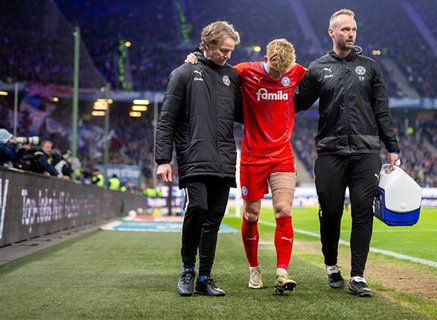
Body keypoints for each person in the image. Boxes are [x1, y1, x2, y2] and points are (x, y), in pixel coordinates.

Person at [294, 8, 400, 297]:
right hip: (330, 151)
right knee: (330, 212)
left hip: (366, 152)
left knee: (363, 213)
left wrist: (392, 147)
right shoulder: (317, 68)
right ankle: (331, 265)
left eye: (353, 29)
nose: (350, 34)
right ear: (331, 32)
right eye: (344, 30)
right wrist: (273, 81)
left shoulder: (371, 67)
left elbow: (382, 110)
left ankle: (358, 276)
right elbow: (296, 103)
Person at [186, 39, 305, 293]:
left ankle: (282, 272)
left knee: (283, 210)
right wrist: (195, 57)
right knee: (251, 215)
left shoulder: (296, 72)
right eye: (274, 71)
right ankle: (254, 269)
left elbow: (318, 81)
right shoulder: (245, 71)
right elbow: (216, 69)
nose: (278, 76)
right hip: (253, 157)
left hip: (283, 155)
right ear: (265, 59)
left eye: (283, 72)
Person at [155, 20, 242, 297]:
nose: (228, 56)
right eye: (224, 50)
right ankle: (187, 270)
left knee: (214, 218)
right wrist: (163, 159)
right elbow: (167, 119)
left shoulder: (233, 77)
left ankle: (205, 276)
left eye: (231, 51)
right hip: (193, 157)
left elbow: (243, 113)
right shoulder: (183, 73)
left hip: (224, 158)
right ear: (207, 45)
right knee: (197, 208)